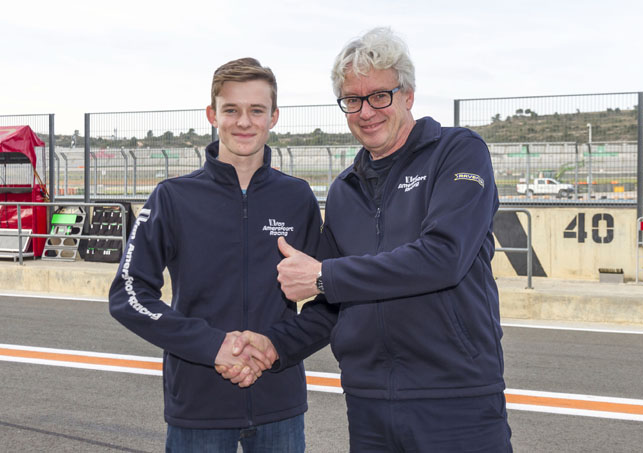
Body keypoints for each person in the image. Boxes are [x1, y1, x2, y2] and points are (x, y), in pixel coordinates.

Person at [227, 27, 513, 452]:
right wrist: (275, 345)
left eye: (380, 95)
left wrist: (322, 276)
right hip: (369, 406)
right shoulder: (345, 189)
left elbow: (444, 257)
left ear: (408, 95)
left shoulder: (457, 151)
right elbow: (331, 303)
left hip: (456, 401)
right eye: (352, 100)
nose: (366, 112)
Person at [109, 57, 321, 452]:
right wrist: (212, 346)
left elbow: (328, 299)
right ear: (212, 115)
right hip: (198, 407)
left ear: (273, 117)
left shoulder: (297, 197)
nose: (244, 122)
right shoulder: (173, 197)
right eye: (231, 110)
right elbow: (128, 293)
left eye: (256, 110)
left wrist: (275, 346)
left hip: (279, 404)